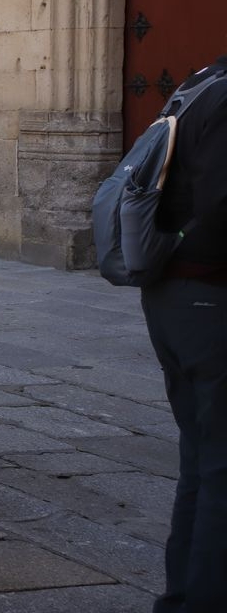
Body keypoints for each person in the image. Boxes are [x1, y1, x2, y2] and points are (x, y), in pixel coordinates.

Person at [140, 53, 227, 613]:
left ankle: (185, 596)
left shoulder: (204, 82)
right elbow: (221, 207)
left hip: (176, 292)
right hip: (208, 295)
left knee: (202, 458)